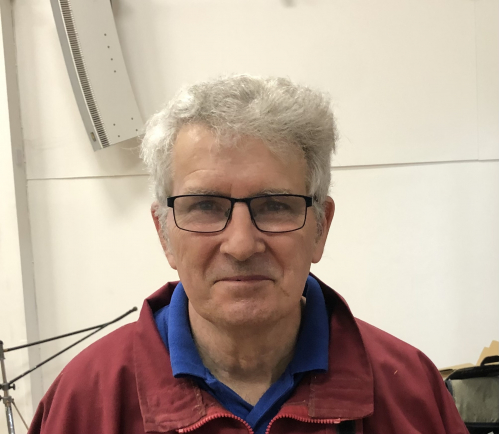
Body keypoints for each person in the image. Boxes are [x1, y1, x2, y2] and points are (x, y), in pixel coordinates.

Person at [28, 75, 467, 434]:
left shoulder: (412, 391)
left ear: (320, 228)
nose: (240, 245)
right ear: (164, 233)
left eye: (275, 205)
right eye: (205, 206)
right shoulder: (84, 402)